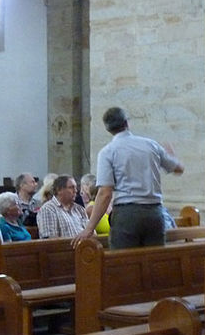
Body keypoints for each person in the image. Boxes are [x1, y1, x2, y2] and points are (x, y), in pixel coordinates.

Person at [75, 106, 184, 249]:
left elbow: (105, 193)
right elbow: (178, 169)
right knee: (154, 262)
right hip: (154, 213)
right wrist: (172, 155)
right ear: (127, 123)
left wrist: (89, 228)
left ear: (108, 129)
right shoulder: (151, 145)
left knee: (124, 263)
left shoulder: (108, 152)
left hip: (127, 215)